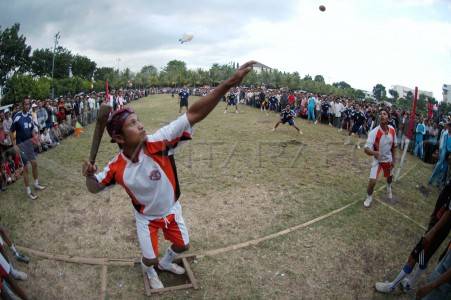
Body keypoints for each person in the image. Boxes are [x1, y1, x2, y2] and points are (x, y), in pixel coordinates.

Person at [82, 61, 256, 289]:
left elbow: (194, 113)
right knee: (149, 257)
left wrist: (230, 83)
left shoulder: (159, 142)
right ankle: (151, 269)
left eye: (139, 120)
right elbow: (94, 187)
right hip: (146, 218)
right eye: (133, 124)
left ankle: (165, 263)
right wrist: (88, 175)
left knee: (183, 246)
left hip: (172, 210)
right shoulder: (116, 168)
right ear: (121, 139)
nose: (142, 126)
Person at [375, 181, 451, 294]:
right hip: (438, 227)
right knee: (423, 257)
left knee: (414, 257)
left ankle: (392, 286)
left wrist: (433, 231)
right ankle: (409, 285)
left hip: (438, 229)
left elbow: (449, 212)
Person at [9, 98, 46, 200]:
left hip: (29, 144)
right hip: (21, 145)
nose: (27, 106)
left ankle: (36, 184)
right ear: (22, 105)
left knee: (34, 164)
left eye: (28, 104)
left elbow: (32, 130)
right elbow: (11, 131)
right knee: (25, 168)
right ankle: (29, 191)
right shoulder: (17, 117)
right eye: (25, 104)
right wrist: (14, 145)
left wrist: (36, 139)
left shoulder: (30, 116)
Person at [363, 108, 396, 208]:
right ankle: (369, 197)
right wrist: (374, 152)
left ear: (388, 118)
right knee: (372, 182)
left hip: (388, 160)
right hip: (377, 161)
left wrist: (394, 159)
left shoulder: (392, 130)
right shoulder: (374, 132)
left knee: (389, 177)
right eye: (380, 114)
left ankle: (389, 187)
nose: (382, 115)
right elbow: (366, 149)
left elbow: (394, 146)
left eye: (384, 114)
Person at [429, 122, 451, 187]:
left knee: (444, 169)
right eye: (449, 126)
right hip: (443, 151)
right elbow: (442, 143)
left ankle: (438, 182)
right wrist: (439, 150)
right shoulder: (445, 133)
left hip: (449, 153)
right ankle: (431, 180)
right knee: (438, 166)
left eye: (450, 126)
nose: (449, 128)